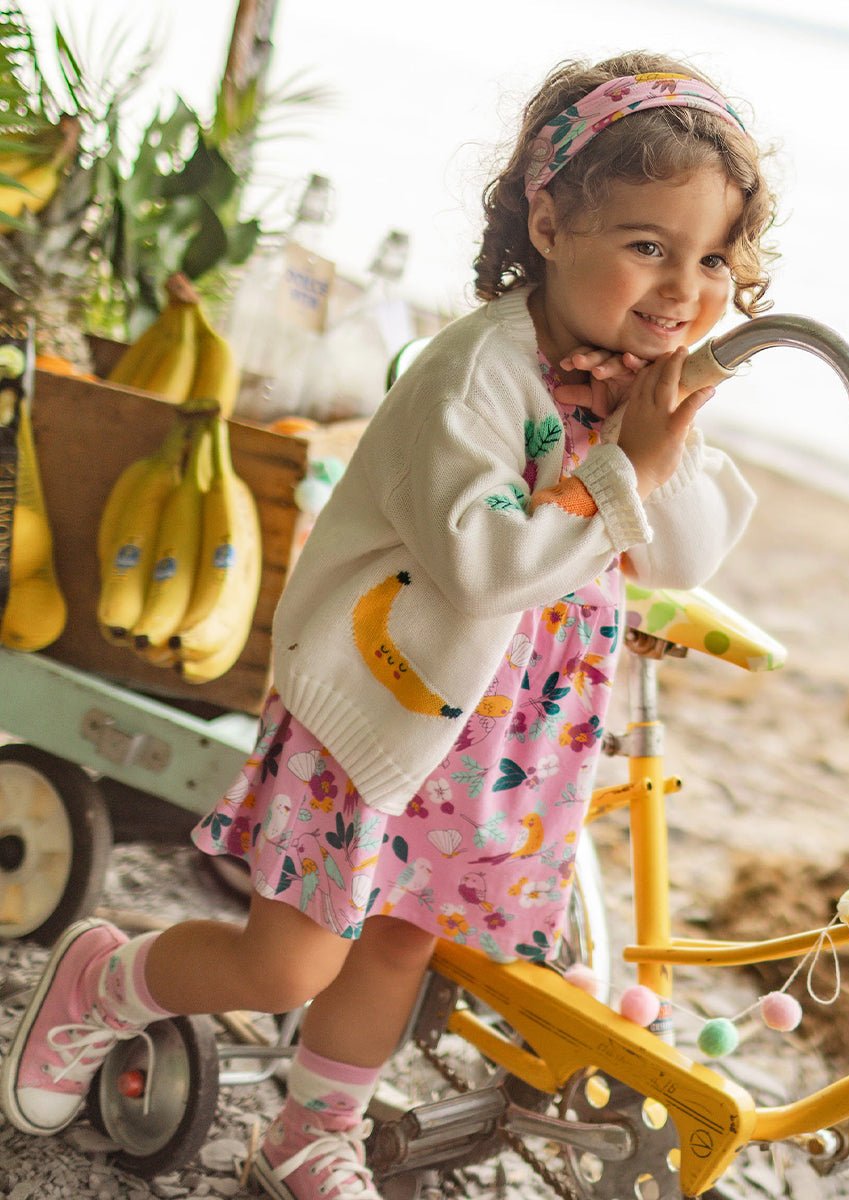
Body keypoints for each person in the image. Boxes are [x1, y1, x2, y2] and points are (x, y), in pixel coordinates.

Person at [0, 50, 777, 1200]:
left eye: (713, 258)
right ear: (551, 218)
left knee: (408, 937)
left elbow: (683, 547)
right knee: (287, 961)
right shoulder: (474, 375)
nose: (683, 289)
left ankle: (312, 1127)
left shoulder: (631, 386)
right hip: (381, 714)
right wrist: (624, 472)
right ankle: (110, 980)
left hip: (511, 735)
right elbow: (479, 565)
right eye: (650, 247)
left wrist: (660, 444)